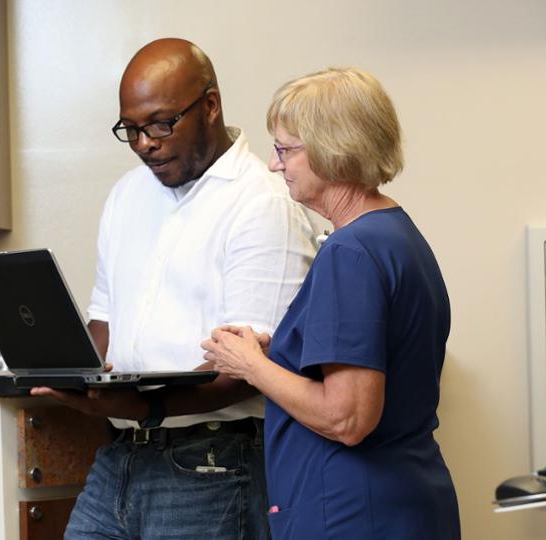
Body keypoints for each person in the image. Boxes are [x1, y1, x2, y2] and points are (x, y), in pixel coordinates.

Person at [31, 38, 316, 539]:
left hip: (213, 459)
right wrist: (76, 373)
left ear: (210, 105)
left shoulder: (261, 202)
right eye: (132, 130)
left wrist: (144, 406)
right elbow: (105, 323)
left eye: (162, 124)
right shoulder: (126, 195)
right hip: (121, 453)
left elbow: (253, 367)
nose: (145, 143)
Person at [201, 67, 460, 539]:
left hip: (354, 513)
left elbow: (348, 417)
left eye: (284, 150)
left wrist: (249, 366)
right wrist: (276, 352)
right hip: (404, 503)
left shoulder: (349, 253)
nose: (275, 165)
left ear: (331, 147)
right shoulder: (396, 234)